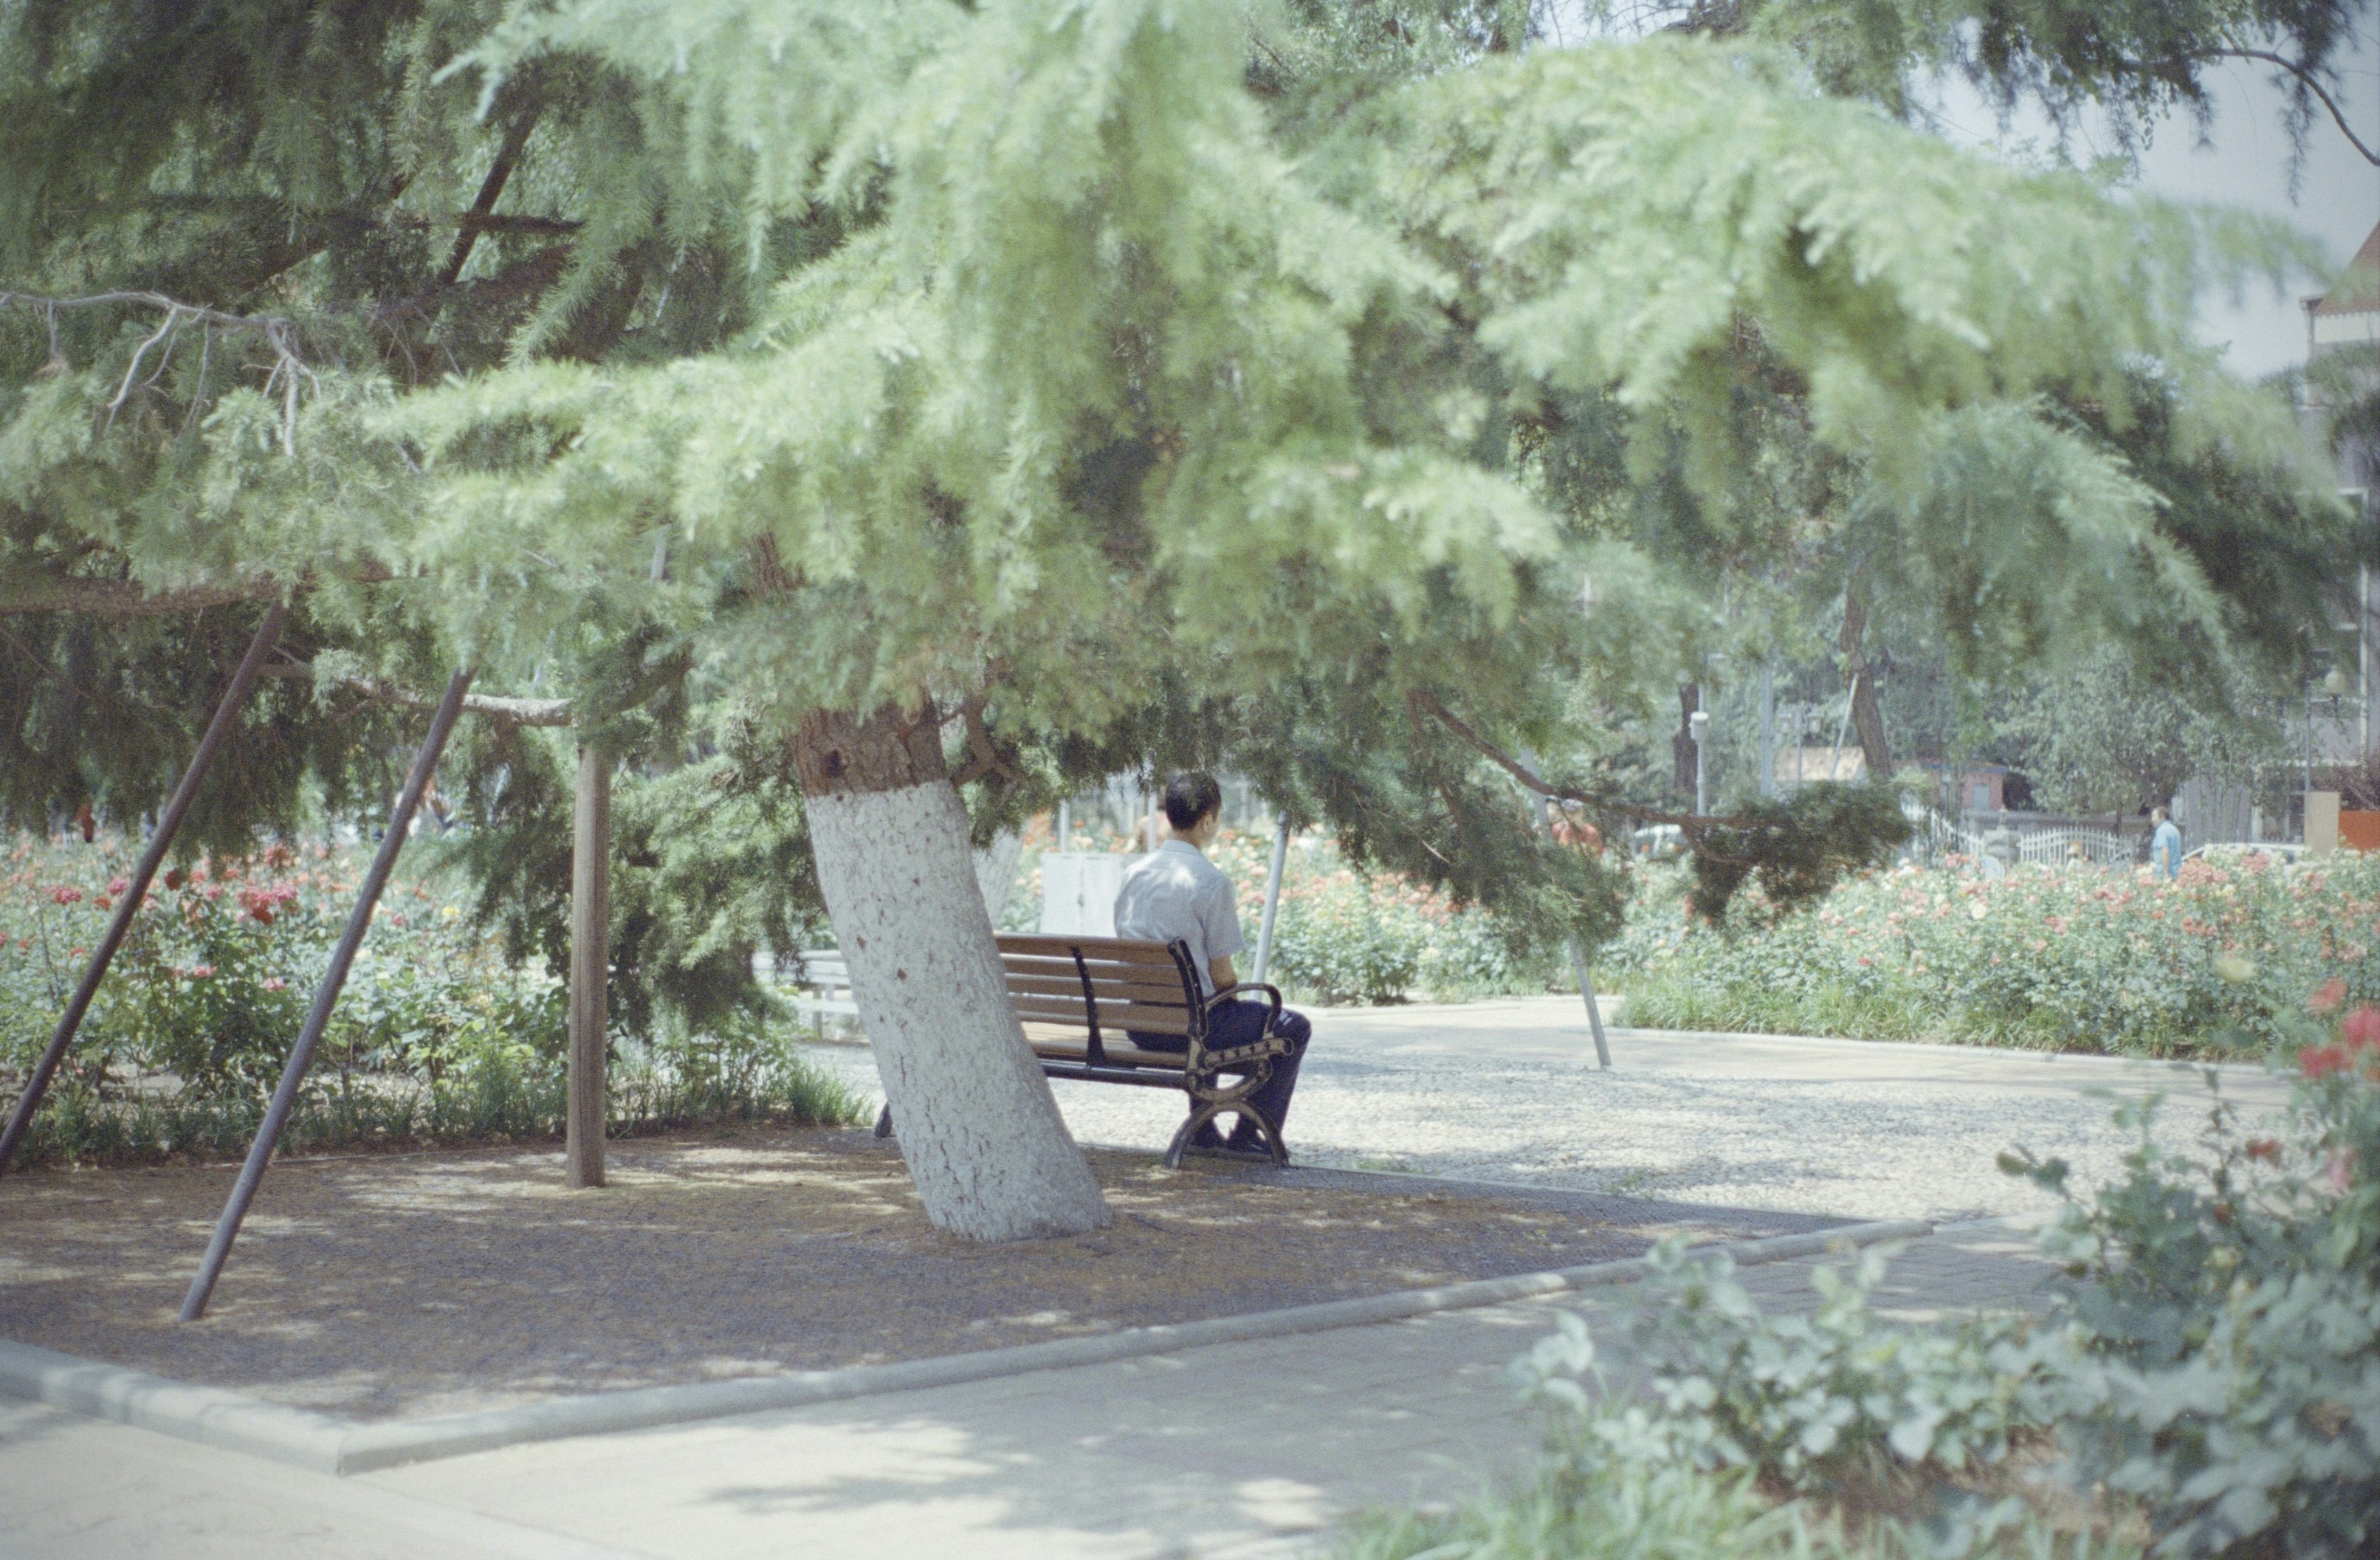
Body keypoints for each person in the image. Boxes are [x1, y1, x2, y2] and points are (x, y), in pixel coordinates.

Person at [1113, 772, 1311, 1156]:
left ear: (1169, 817)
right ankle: (1250, 1134)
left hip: (1145, 1024)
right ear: (1207, 820)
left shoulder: (1133, 874)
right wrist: (1230, 995)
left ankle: (1204, 1131)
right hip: (1192, 1029)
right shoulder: (1210, 882)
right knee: (1290, 1027)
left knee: (1210, 1011)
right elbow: (1223, 977)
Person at [2150, 805, 2182, 880]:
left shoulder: (2161, 830)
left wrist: (2165, 873)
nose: (2152, 820)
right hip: (2177, 871)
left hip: (2164, 873)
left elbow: (2165, 852)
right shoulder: (2174, 829)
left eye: (2154, 816)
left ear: (2162, 817)